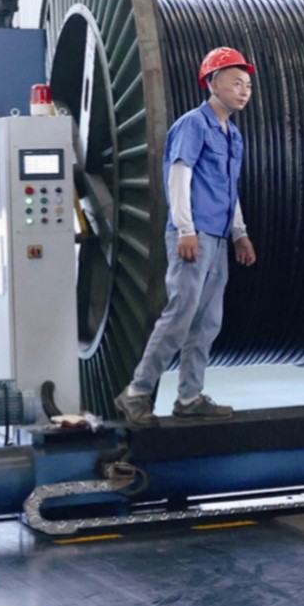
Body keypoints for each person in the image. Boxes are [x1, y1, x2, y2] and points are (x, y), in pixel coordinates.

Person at [114, 47, 258, 428]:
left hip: (219, 237)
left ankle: (190, 397)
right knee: (180, 314)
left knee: (207, 321)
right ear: (212, 83)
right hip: (194, 237)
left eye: (247, 85)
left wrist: (240, 233)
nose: (244, 91)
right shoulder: (193, 125)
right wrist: (185, 229)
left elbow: (229, 188)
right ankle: (136, 392)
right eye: (235, 83)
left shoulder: (233, 135)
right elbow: (180, 176)